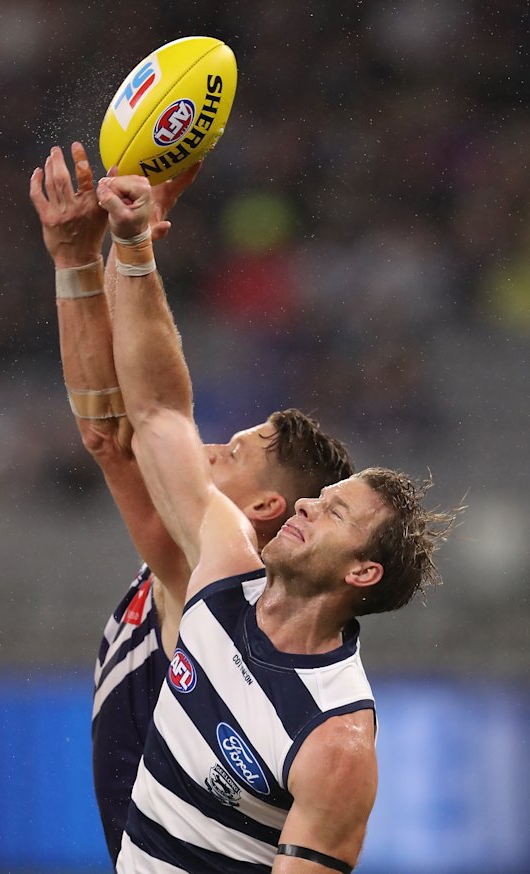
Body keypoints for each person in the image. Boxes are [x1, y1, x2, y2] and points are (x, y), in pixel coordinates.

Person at [96, 171, 459, 874]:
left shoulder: (336, 743)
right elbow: (159, 416)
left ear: (362, 571)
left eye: (332, 512)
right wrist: (134, 249)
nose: (302, 504)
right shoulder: (225, 568)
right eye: (316, 497)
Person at [29, 144, 355, 865]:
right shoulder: (202, 570)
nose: (208, 451)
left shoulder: (214, 581)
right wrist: (100, 251)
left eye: (231, 453)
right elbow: (114, 424)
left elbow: (117, 430)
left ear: (268, 508)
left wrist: (92, 256)